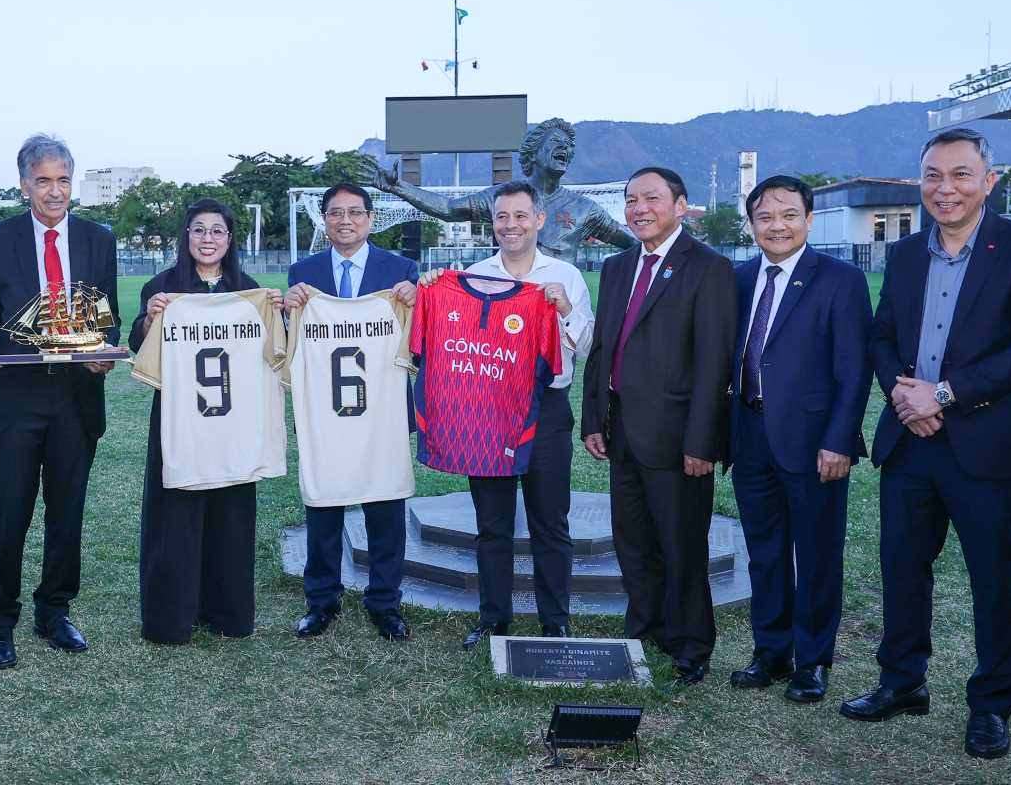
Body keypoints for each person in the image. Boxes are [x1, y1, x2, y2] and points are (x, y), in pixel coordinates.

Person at [840, 128, 1011, 759]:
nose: (946, 187)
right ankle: (901, 682)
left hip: (987, 443)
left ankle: (992, 705)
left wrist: (943, 395)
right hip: (911, 443)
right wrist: (905, 398)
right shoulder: (907, 254)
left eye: (962, 174)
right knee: (902, 569)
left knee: (993, 577)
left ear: (988, 182)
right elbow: (883, 337)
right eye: (934, 175)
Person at [418, 180, 594, 648]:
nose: (510, 225)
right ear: (492, 222)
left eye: (520, 216)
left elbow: (588, 344)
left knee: (550, 522)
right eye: (502, 217)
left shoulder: (565, 276)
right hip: (489, 410)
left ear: (539, 219)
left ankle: (554, 620)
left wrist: (563, 309)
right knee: (492, 523)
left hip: (548, 410)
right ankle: (493, 618)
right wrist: (434, 289)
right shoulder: (476, 274)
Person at [0, 133, 120, 668]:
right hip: (14, 398)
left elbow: (107, 316)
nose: (55, 192)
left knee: (66, 515)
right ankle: (0, 619)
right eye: (43, 181)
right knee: (7, 514)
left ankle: (54, 611)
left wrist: (103, 352)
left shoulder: (99, 240)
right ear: (24, 184)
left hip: (76, 400)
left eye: (62, 180)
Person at [581, 167, 736, 686]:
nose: (638, 208)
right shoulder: (617, 265)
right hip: (621, 428)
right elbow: (602, 348)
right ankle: (645, 625)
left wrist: (702, 440)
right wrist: (593, 419)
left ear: (681, 205)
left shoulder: (708, 268)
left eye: (651, 198)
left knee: (682, 542)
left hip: (677, 438)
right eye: (630, 199)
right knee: (632, 539)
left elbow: (715, 363)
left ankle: (690, 641)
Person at [728, 175, 873, 703]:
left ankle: (812, 660)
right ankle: (770, 652)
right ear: (751, 225)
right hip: (749, 433)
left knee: (815, 553)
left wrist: (839, 440)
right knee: (764, 551)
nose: (777, 225)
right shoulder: (739, 278)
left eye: (789, 214)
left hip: (815, 443)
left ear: (808, 220)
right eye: (765, 217)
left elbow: (854, 371)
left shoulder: (839, 279)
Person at [129, 198, 281, 644]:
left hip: (235, 419)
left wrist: (279, 313)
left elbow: (274, 350)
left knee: (230, 516)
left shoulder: (248, 290)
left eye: (217, 231)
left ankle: (227, 611)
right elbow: (140, 346)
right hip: (180, 419)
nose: (208, 239)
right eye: (199, 230)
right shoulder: (163, 287)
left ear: (230, 239)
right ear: (187, 237)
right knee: (174, 515)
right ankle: (170, 617)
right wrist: (149, 318)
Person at [283, 183, 418, 641]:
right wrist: (288, 311)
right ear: (323, 219)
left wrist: (417, 304)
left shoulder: (401, 271)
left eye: (355, 212)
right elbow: (293, 342)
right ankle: (321, 600)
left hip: (382, 412)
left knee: (385, 508)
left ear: (370, 219)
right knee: (324, 507)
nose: (346, 220)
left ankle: (385, 602)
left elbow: (419, 342)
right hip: (325, 410)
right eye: (336, 212)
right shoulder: (303, 273)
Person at [363, 118, 633, 254]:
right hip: (509, 310)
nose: (565, 148)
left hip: (558, 316)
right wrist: (400, 187)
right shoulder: (503, 197)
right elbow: (448, 208)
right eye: (555, 143)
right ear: (533, 153)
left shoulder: (586, 210)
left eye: (569, 146)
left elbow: (631, 243)